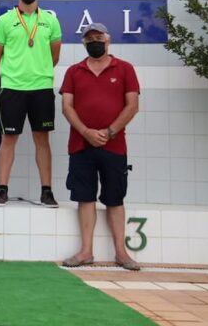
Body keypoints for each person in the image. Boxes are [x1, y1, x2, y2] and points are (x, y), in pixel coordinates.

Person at [60, 23, 141, 270]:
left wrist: (109, 132)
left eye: (99, 37)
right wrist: (85, 132)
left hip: (114, 146)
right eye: (90, 38)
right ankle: (86, 252)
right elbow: (67, 107)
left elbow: (132, 105)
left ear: (108, 40)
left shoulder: (125, 69)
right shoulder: (74, 71)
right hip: (80, 145)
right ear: (84, 43)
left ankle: (121, 253)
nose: (94, 41)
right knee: (85, 198)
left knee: (115, 199)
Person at [0, 0, 62, 207]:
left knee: (42, 139)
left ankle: (47, 191)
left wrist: (37, 72)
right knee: (9, 138)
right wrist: (14, 75)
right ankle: (2, 189)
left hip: (41, 87)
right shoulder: (4, 21)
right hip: (12, 88)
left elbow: (54, 56)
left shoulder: (50, 20)